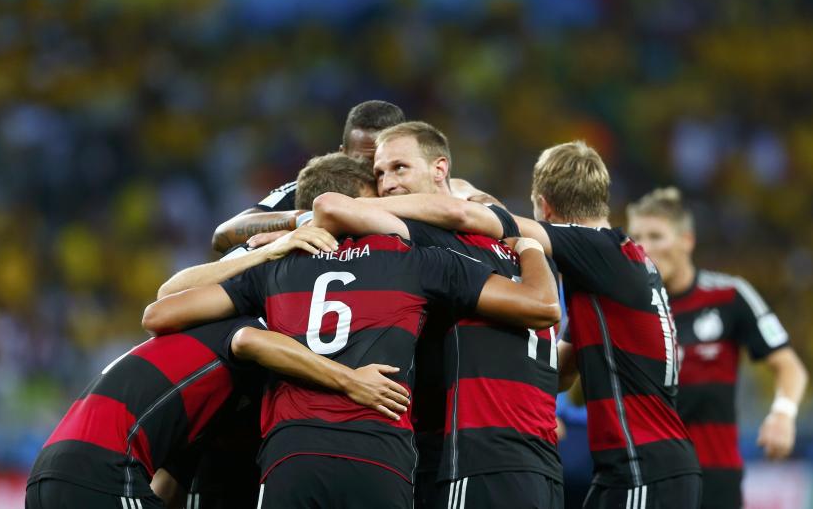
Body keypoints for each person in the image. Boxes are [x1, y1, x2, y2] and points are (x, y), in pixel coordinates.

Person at [141, 152, 562, 509]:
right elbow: (540, 307)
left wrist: (271, 247)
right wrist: (527, 246)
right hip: (380, 458)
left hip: (291, 455)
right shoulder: (413, 259)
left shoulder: (277, 267)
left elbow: (160, 311)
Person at [371, 141, 703, 509]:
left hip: (644, 466)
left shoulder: (599, 249)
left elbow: (476, 221)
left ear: (544, 206)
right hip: (637, 466)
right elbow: (560, 373)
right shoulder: (616, 269)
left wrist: (359, 206)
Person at [26, 229, 409, 509]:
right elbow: (248, 341)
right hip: (104, 472)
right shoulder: (241, 327)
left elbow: (170, 481)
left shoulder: (191, 356)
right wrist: (349, 379)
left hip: (50, 472)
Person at [304, 121, 564, 509]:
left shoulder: (435, 241)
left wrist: (288, 231)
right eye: (379, 173)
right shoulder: (519, 250)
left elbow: (331, 207)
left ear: (440, 170)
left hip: (473, 456)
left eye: (399, 168)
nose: (387, 182)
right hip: (540, 462)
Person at [626, 187, 808, 509]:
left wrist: (782, 415)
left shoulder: (729, 296)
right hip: (643, 478)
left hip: (714, 479)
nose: (645, 248)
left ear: (687, 240)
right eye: (637, 237)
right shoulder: (625, 307)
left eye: (656, 236)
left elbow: (789, 365)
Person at [210, 100, 405, 253]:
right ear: (342, 154)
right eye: (365, 161)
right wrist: (305, 219)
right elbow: (223, 234)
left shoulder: (420, 186)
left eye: (393, 163)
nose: (377, 170)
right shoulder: (315, 187)